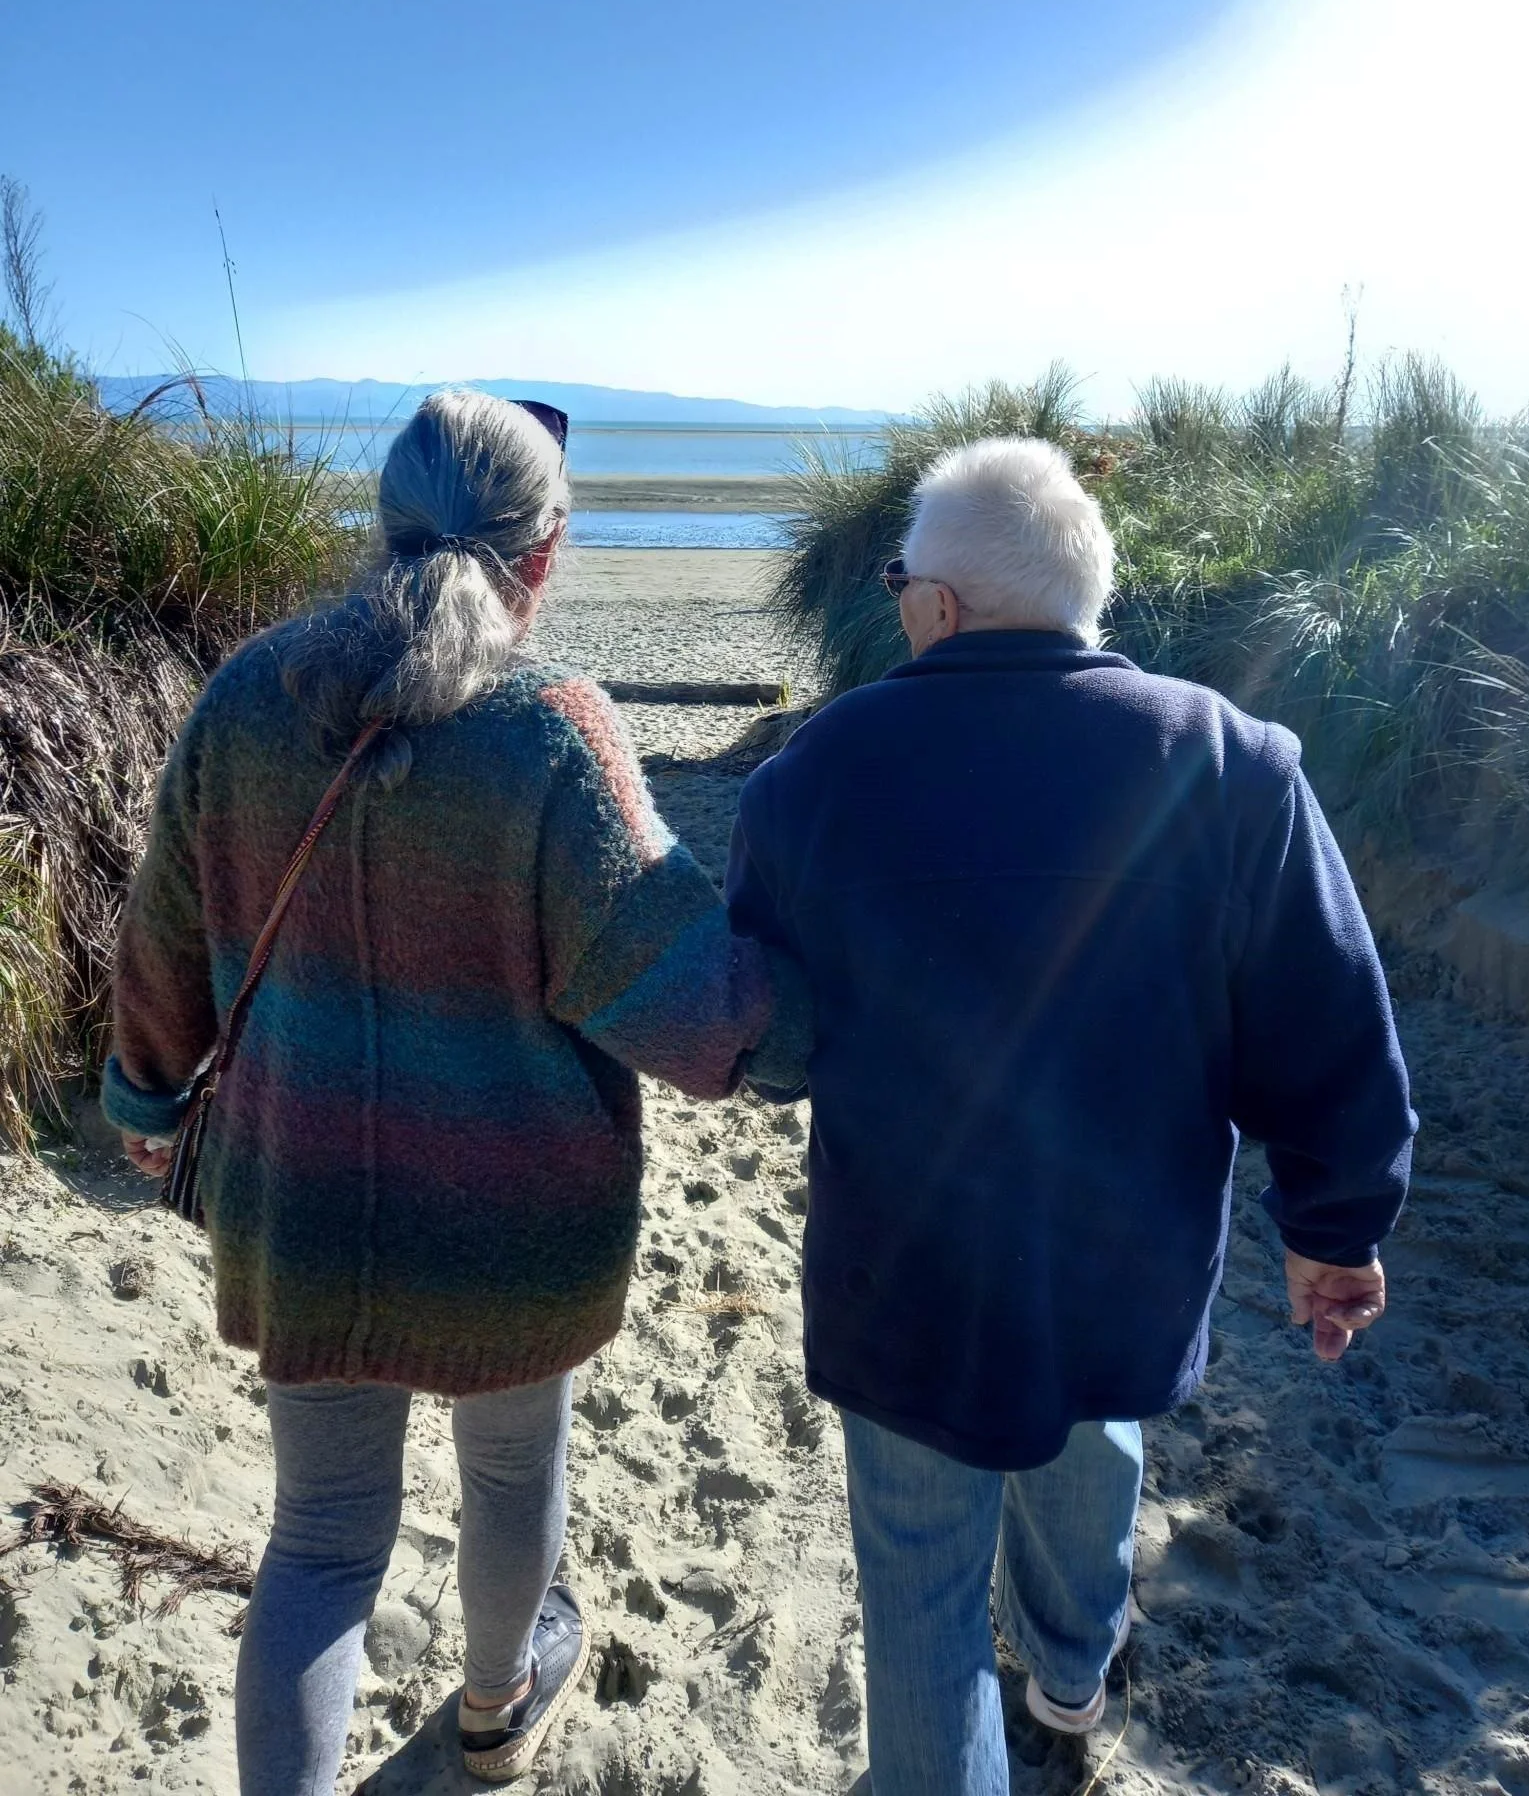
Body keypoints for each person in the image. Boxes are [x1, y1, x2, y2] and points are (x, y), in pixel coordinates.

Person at [104, 391, 808, 1794]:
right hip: (512, 1222)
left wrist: (140, 1101)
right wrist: (807, 1025)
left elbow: (164, 929)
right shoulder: (557, 733)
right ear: (544, 553)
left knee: (317, 1543)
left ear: (382, 526)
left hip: (301, 1203)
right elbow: (681, 1001)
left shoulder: (250, 693)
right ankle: (495, 1718)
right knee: (508, 1479)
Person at [726, 436, 1416, 1796]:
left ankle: (1030, 1697)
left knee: (921, 1598)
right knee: (1096, 1443)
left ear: (941, 605)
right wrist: (1336, 1231)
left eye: (898, 581)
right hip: (1126, 1262)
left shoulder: (819, 771)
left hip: (904, 1276)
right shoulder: (1232, 760)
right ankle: (1073, 1672)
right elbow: (1330, 1020)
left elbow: (770, 1044)